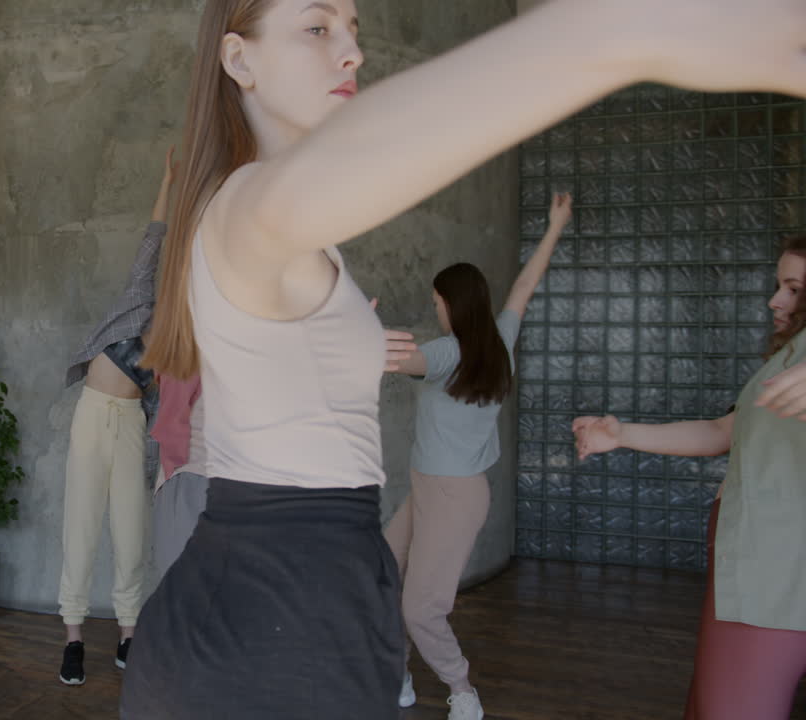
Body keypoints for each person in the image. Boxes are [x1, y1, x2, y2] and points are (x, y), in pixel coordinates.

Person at [120, 0, 806, 718]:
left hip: (296, 595)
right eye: (318, 27)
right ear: (239, 60)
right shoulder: (249, 205)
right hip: (268, 619)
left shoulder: (276, 224)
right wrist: (620, 33)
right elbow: (366, 152)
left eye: (355, 31)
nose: (351, 51)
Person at [573, 236, 806, 720]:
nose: (776, 300)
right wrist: (621, 435)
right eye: (779, 285)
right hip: (752, 576)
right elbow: (721, 431)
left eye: (794, 288)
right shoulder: (786, 359)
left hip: (774, 588)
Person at [383, 192, 571, 718]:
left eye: (436, 301)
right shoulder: (499, 340)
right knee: (383, 572)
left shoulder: (446, 352)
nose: (433, 308)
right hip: (435, 490)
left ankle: (462, 690)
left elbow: (400, 359)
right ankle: (396, 672)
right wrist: (555, 226)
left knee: (422, 608)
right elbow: (524, 287)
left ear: (452, 303)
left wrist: (354, 325)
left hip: (451, 497)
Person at [57, 149, 176, 685]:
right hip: (91, 416)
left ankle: (129, 634)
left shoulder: (176, 355)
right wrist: (169, 179)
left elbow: (170, 414)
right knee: (80, 528)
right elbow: (154, 237)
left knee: (131, 534)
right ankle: (74, 638)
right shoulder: (136, 301)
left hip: (130, 428)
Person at [149, 373, 206, 576]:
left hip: (187, 476)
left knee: (179, 584)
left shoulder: (184, 349)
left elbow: (168, 422)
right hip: (239, 480)